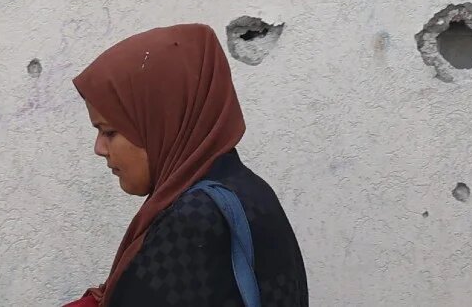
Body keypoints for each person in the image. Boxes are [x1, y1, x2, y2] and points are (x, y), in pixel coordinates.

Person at [63, 24, 310, 307]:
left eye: (109, 132)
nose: (99, 149)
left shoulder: (194, 219)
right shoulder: (247, 190)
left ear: (160, 124)